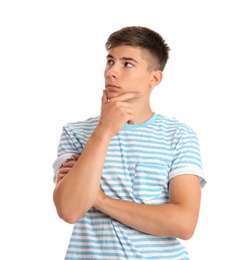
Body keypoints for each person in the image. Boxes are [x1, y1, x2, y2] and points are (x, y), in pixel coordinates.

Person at [52, 26, 207, 260]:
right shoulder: (76, 132)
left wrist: (99, 199)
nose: (111, 72)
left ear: (154, 78)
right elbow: (70, 210)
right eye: (110, 61)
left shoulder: (179, 135)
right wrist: (103, 130)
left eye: (127, 64)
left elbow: (184, 223)